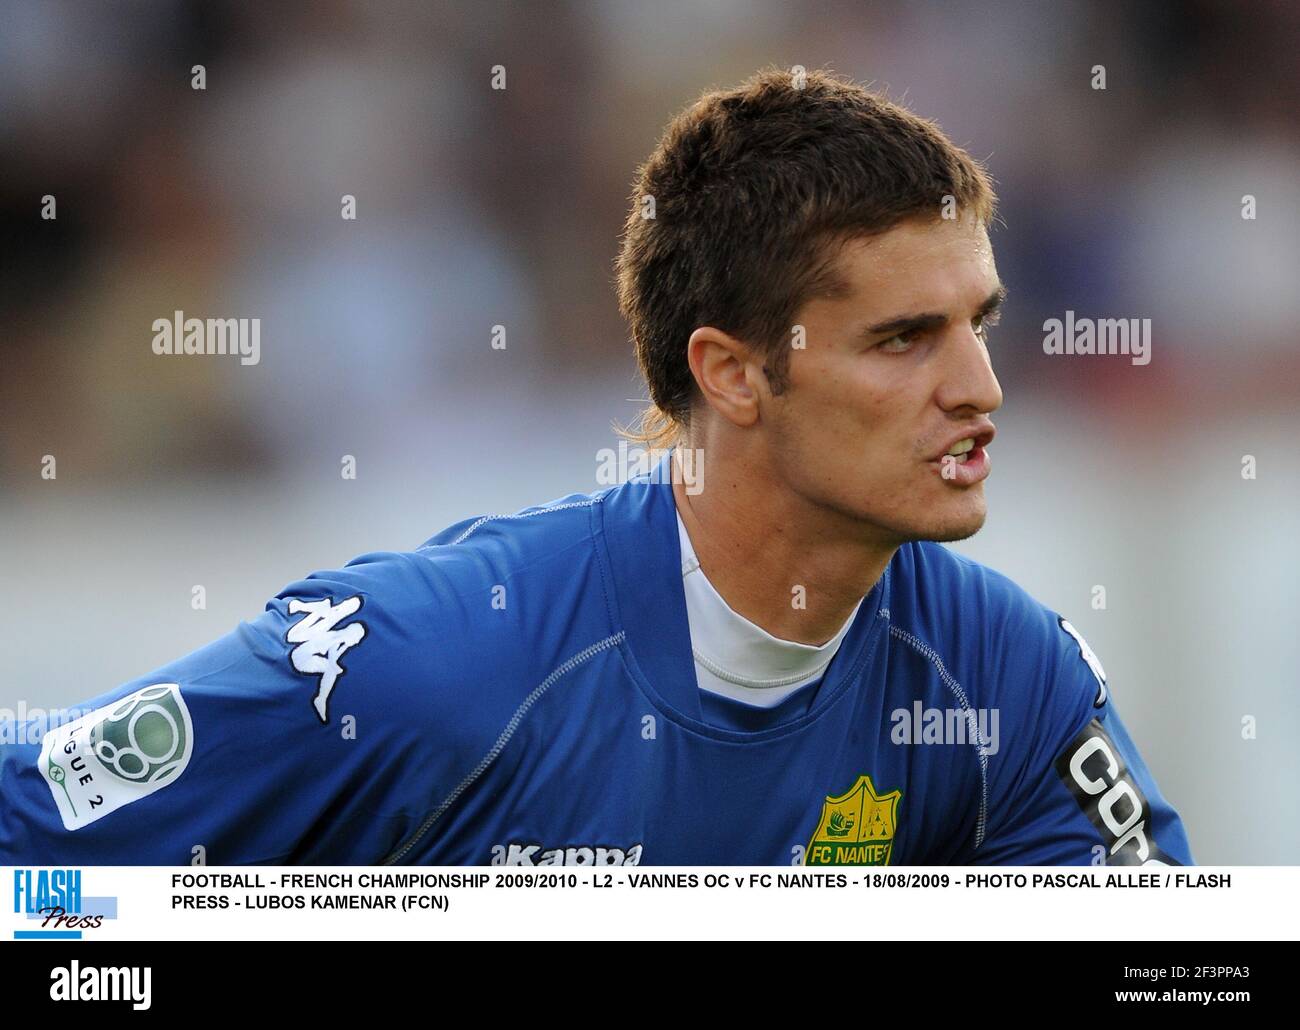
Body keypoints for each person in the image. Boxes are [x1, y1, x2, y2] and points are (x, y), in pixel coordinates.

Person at [0, 68, 1192, 866]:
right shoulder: (425, 667)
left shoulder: (1005, 683)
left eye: (978, 321)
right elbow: (36, 835)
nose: (980, 386)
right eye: (902, 338)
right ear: (730, 373)